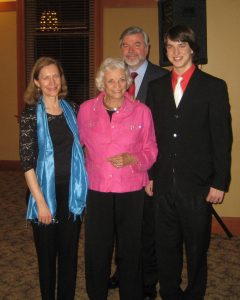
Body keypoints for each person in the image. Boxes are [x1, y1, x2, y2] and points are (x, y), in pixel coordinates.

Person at [146, 24, 232, 300]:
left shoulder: (214, 87)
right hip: (162, 183)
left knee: (197, 248)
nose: (176, 52)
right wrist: (149, 174)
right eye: (170, 46)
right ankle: (169, 292)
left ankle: (195, 293)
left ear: (193, 49)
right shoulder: (156, 87)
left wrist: (220, 181)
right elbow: (150, 137)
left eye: (181, 45)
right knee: (165, 246)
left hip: (197, 185)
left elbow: (222, 138)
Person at [77, 57, 158, 300]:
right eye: (110, 80)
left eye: (121, 79)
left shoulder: (142, 112)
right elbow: (76, 147)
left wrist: (133, 159)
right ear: (102, 83)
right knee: (97, 248)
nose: (116, 85)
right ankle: (97, 294)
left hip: (130, 189)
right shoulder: (85, 110)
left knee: (130, 248)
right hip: (97, 187)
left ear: (127, 82)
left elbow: (152, 150)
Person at [19, 56, 88, 300]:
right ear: (36, 82)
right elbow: (27, 163)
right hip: (43, 193)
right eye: (45, 77)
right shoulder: (30, 116)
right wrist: (40, 202)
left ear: (61, 79)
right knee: (47, 258)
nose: (52, 82)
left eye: (55, 76)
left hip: (72, 193)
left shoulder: (74, 110)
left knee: (69, 255)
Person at [109, 25, 168, 300]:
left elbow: (165, 133)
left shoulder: (162, 78)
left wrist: (153, 173)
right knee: (121, 226)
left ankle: (147, 282)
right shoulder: (112, 77)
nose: (131, 51)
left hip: (146, 170)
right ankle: (122, 273)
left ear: (147, 48)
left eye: (137, 45)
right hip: (118, 172)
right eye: (126, 45)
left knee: (147, 231)